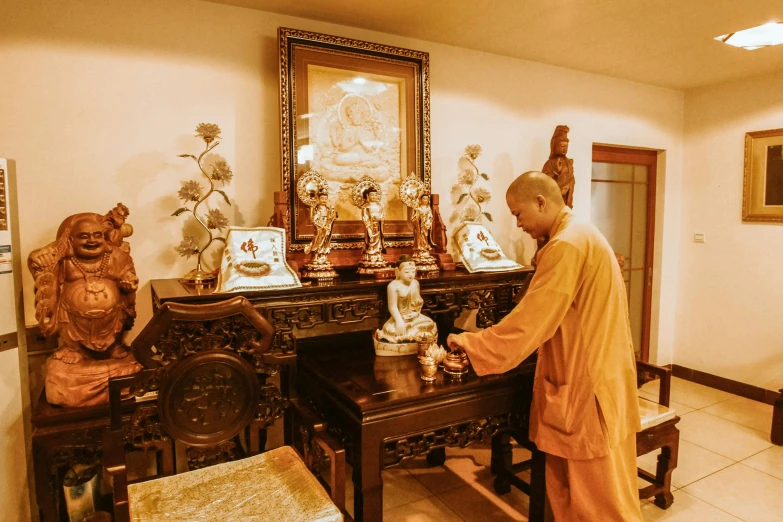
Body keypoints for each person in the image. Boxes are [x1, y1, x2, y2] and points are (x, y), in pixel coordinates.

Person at [447, 171, 642, 522]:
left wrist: (471, 343)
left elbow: (530, 323)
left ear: (541, 201)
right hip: (603, 376)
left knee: (597, 501)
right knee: (597, 488)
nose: (517, 223)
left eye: (518, 213)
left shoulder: (567, 245)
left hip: (587, 386)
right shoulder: (579, 233)